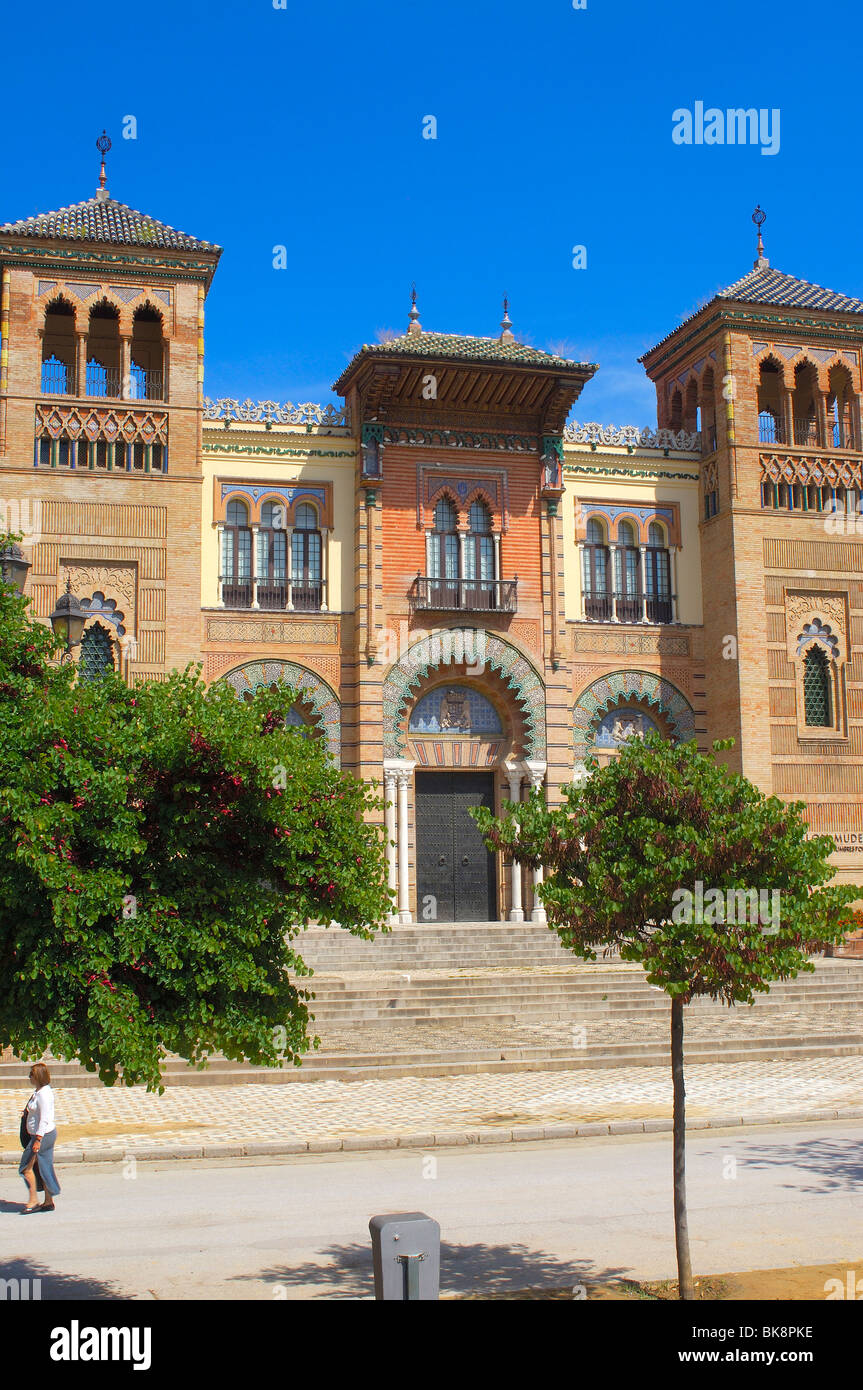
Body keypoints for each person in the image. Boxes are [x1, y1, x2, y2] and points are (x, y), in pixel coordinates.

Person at [19, 1063, 60, 1213]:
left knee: (25, 1168)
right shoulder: (39, 1091)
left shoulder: (44, 1094)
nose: (29, 1077)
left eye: (31, 1074)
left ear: (38, 1076)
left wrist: (38, 1140)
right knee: (43, 1167)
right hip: (40, 1135)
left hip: (42, 1136)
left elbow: (44, 1118)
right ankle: (48, 1201)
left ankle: (33, 1201)